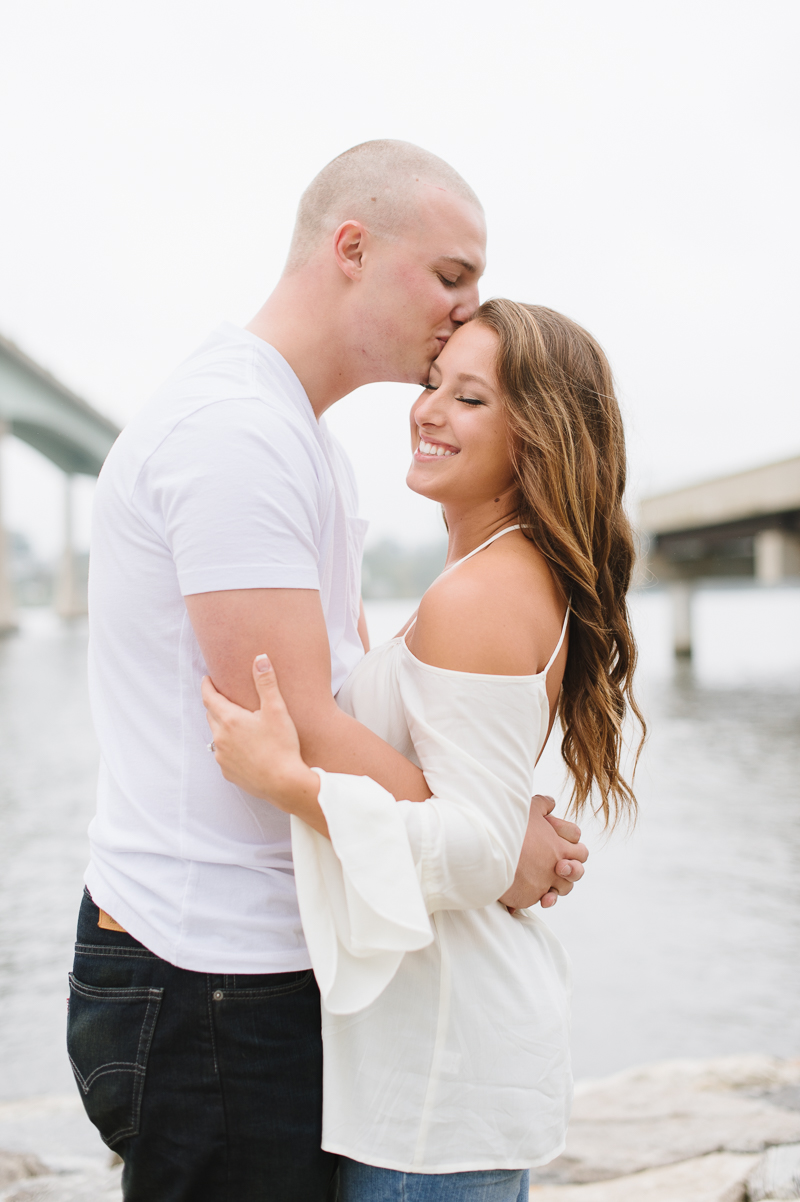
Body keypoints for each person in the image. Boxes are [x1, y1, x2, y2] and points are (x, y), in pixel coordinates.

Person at [67, 142, 588, 1202]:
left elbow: (343, 707)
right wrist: (491, 843)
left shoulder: (297, 441)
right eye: (450, 276)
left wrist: (484, 826)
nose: (463, 309)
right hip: (203, 968)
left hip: (259, 964)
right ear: (351, 246)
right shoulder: (234, 434)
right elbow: (295, 721)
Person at [203, 298, 645, 1202]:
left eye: (472, 399)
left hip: (437, 1093)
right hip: (442, 1074)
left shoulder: (479, 596)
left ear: (539, 436)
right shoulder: (485, 579)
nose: (429, 409)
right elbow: (479, 818)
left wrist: (290, 782)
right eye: (435, 383)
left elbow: (477, 852)